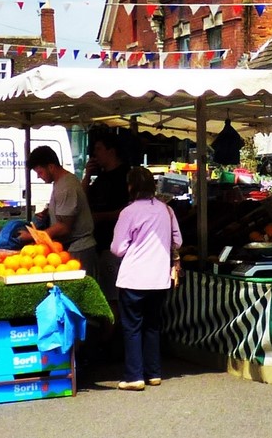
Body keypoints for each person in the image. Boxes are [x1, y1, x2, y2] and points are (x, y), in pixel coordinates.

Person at [109, 166, 182, 391]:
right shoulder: (166, 211)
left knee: (132, 326)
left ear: (130, 187)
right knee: (152, 325)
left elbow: (118, 248)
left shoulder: (128, 212)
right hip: (159, 278)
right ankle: (153, 373)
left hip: (133, 277)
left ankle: (134, 376)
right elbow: (177, 241)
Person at [24, 146, 98, 273]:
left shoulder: (66, 187)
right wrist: (49, 213)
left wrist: (35, 236)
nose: (38, 177)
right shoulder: (62, 182)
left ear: (51, 167)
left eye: (40, 172)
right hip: (73, 247)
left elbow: (64, 227)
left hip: (78, 249)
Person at [82, 135, 131, 298]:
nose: (95, 154)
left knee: (113, 295)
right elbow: (82, 200)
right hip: (100, 244)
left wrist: (101, 217)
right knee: (105, 291)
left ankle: (114, 323)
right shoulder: (100, 178)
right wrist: (87, 175)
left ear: (111, 151)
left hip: (116, 244)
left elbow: (129, 210)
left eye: (98, 149)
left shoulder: (125, 176)